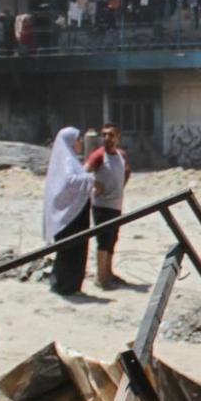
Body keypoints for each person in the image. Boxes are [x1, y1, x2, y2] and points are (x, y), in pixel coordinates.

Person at [42, 127, 95, 296]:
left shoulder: (71, 160)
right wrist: (90, 179)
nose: (80, 142)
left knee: (77, 250)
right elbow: (69, 182)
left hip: (76, 214)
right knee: (69, 251)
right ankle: (65, 286)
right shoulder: (66, 161)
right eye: (78, 139)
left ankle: (72, 285)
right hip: (69, 217)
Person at [83, 123, 131, 288]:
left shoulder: (121, 155)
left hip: (116, 205)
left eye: (111, 135)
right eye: (104, 135)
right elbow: (83, 174)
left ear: (118, 137)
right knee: (103, 240)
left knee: (112, 239)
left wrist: (119, 188)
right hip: (101, 205)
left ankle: (108, 273)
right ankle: (100, 278)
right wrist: (96, 184)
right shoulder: (98, 155)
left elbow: (126, 173)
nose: (107, 138)